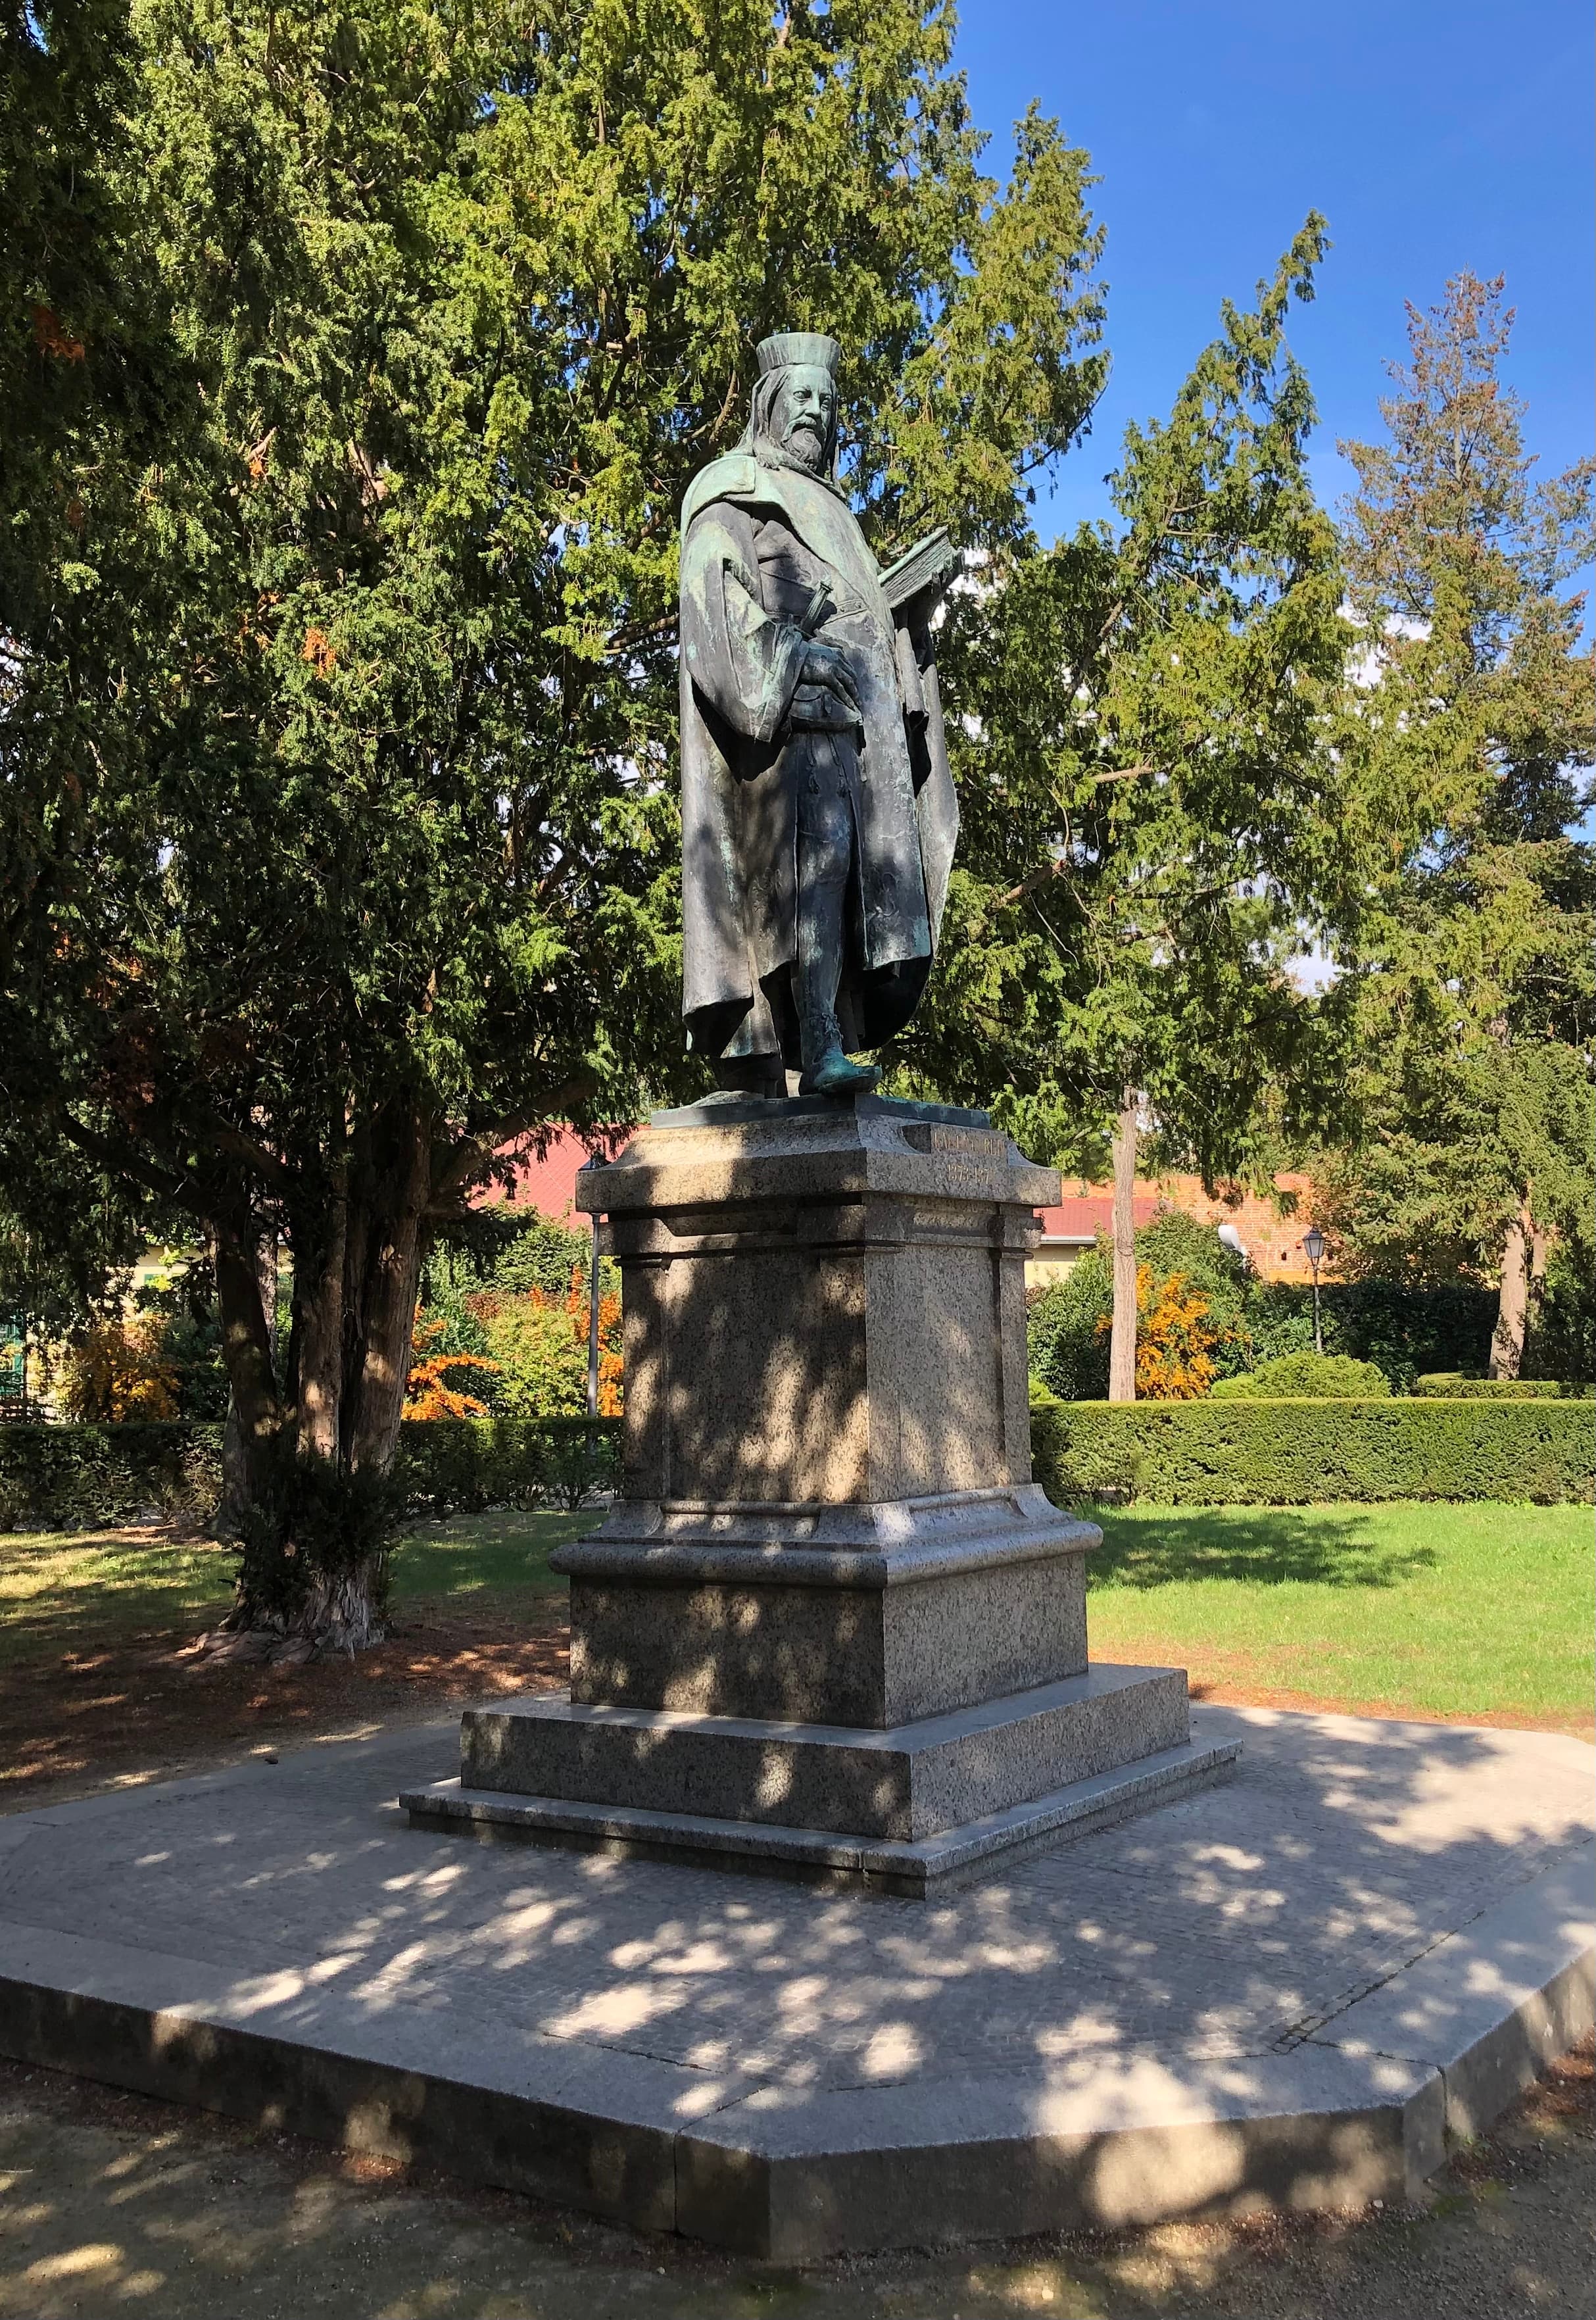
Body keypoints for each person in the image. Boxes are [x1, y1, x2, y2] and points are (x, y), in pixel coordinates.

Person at [678, 331, 957, 1097]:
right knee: (815, 872)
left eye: (827, 403)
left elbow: (860, 620)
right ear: (769, 402)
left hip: (850, 732)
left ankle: (828, 1037)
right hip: (785, 730)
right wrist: (793, 656)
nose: (816, 412)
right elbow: (711, 592)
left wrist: (903, 621)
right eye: (802, 396)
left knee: (840, 885)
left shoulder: (837, 513)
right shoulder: (733, 490)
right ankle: (815, 1044)